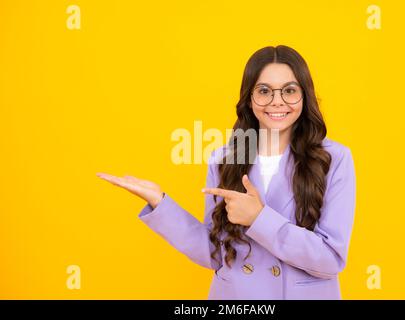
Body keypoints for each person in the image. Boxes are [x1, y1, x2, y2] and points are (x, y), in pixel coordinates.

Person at [97, 45, 356, 299]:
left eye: (289, 90)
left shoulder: (335, 159)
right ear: (249, 97)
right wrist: (159, 202)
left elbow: (331, 258)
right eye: (264, 91)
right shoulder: (224, 159)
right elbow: (215, 252)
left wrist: (259, 218)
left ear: (304, 95)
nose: (277, 101)